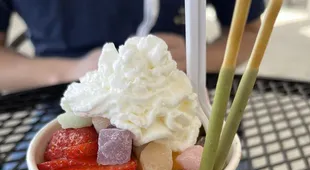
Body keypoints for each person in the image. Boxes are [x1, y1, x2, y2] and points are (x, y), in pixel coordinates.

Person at [0, 0, 264, 92]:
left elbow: (250, 31)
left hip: (185, 96)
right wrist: (70, 70)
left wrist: (199, 57)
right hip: (56, 101)